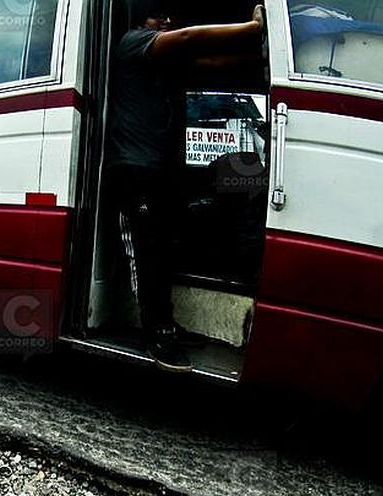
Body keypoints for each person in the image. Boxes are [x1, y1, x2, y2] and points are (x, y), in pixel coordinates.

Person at [107, 0, 265, 371]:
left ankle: (167, 323)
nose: (164, 20)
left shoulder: (167, 66)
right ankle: (156, 332)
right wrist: (253, 28)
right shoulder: (133, 42)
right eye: (156, 15)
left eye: (168, 15)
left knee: (167, 243)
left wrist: (261, 59)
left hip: (161, 171)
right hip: (133, 171)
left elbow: (211, 64)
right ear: (141, 22)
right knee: (147, 253)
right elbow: (191, 37)